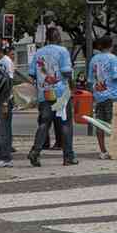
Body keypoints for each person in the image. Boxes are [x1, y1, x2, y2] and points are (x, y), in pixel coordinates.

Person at [28, 27, 76, 166]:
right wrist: (72, 87)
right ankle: (68, 157)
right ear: (58, 37)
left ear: (47, 38)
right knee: (65, 124)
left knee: (44, 123)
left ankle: (35, 152)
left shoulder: (38, 53)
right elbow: (67, 72)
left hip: (44, 93)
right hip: (61, 94)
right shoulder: (62, 51)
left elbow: (32, 74)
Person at [87, 36, 117, 160]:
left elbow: (90, 79)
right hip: (112, 95)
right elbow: (116, 76)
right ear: (111, 46)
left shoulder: (93, 59)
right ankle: (116, 150)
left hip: (99, 95)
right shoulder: (113, 58)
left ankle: (103, 151)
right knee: (116, 125)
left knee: (100, 124)